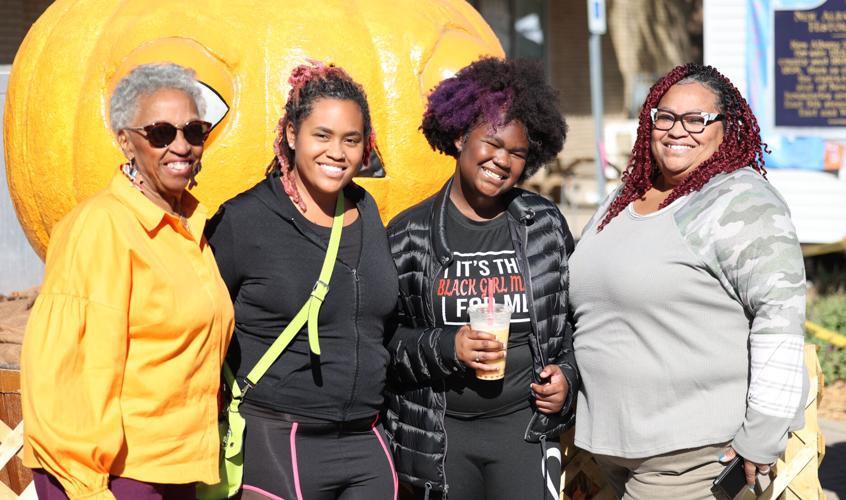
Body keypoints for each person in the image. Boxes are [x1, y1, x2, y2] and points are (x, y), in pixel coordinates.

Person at [569, 63, 807, 498]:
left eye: (697, 119)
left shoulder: (738, 199)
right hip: (614, 447)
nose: (678, 130)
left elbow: (781, 313)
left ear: (726, 129)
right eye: (666, 116)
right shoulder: (624, 197)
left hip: (693, 455)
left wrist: (764, 432)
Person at [21, 63, 234, 499]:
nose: (181, 145)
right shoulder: (102, 227)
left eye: (194, 131)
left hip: (175, 470)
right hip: (114, 477)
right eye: (160, 133)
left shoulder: (190, 225)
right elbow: (70, 372)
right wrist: (90, 488)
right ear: (125, 141)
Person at [384, 57, 578, 500]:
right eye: (492, 143)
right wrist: (447, 346)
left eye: (517, 152)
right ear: (458, 137)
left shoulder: (544, 225)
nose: (502, 161)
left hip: (525, 430)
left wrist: (566, 376)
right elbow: (384, 340)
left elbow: (574, 320)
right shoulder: (408, 235)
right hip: (441, 438)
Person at [205, 60, 399, 500]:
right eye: (322, 135)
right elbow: (201, 327)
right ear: (292, 135)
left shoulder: (366, 211)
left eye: (351, 140)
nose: (338, 152)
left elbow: (378, 327)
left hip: (367, 441)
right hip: (278, 442)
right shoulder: (245, 220)